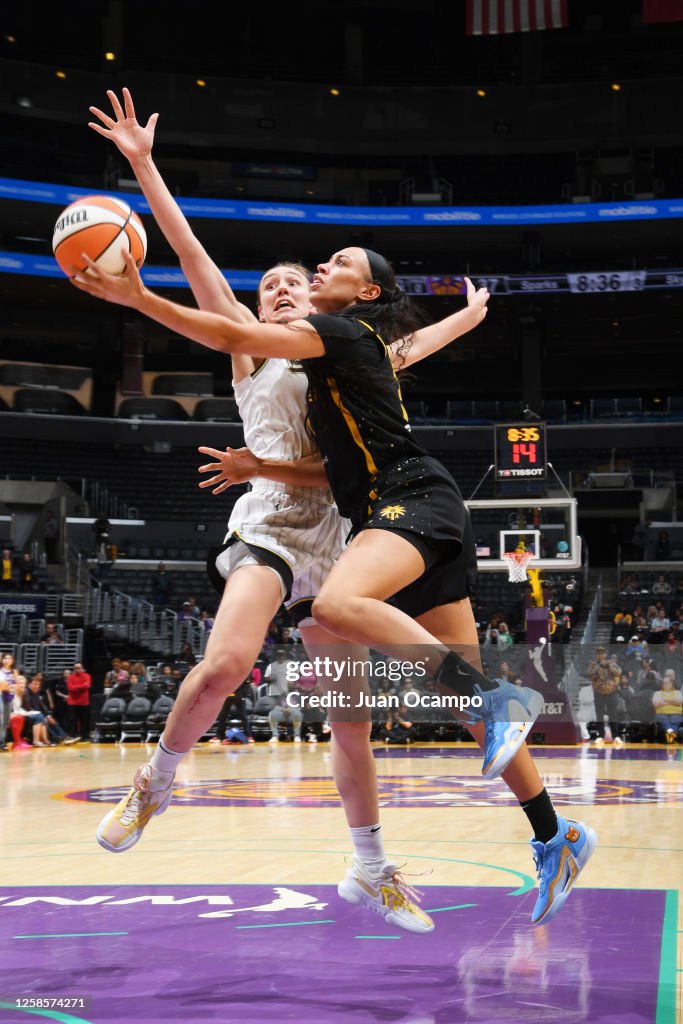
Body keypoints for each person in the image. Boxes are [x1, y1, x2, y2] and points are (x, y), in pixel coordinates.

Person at [78, 88, 593, 930]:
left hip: (349, 528)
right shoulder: (252, 344)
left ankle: (374, 866)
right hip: (274, 526)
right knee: (224, 665)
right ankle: (154, 784)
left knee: (350, 725)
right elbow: (194, 252)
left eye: (297, 279)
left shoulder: (344, 351)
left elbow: (401, 357)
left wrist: (465, 315)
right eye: (272, 284)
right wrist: (142, 165)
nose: (286, 287)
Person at [587, 647, 623, 744]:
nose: (600, 655)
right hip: (599, 693)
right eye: (598, 653)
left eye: (602, 653)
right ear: (596, 655)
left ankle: (615, 736)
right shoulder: (593, 665)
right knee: (599, 715)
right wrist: (599, 668)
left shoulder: (612, 663)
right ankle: (600, 735)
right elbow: (590, 676)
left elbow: (619, 672)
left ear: (605, 654)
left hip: (612, 692)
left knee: (613, 715)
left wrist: (609, 666)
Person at [652, 670, 683, 743]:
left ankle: (670, 738)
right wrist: (672, 702)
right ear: (662, 685)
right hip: (661, 713)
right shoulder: (657, 693)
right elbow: (656, 703)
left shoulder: (677, 692)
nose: (666, 684)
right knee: (664, 721)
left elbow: (679, 701)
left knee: (674, 722)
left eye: (668, 683)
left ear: (672, 684)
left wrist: (664, 700)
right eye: (664, 683)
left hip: (676, 713)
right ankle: (672, 737)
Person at [66, 662, 91, 740]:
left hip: (84, 702)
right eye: (75, 668)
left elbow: (86, 685)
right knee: (72, 719)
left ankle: (84, 736)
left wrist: (76, 687)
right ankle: (73, 735)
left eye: (79, 668)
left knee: (84, 720)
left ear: (82, 669)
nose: (77, 669)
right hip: (72, 702)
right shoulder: (70, 677)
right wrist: (81, 687)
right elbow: (70, 688)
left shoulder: (87, 676)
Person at [0, 652, 19, 751]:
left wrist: (13, 686)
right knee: (1, 718)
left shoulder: (14, 671)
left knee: (6, 721)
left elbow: (17, 684)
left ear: (12, 661)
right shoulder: (0, 671)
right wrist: (7, 686)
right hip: (1, 695)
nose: (7, 660)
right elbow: (2, 685)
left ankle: (2, 742)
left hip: (10, 696)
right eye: (5, 658)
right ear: (2, 660)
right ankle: (1, 743)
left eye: (9, 658)